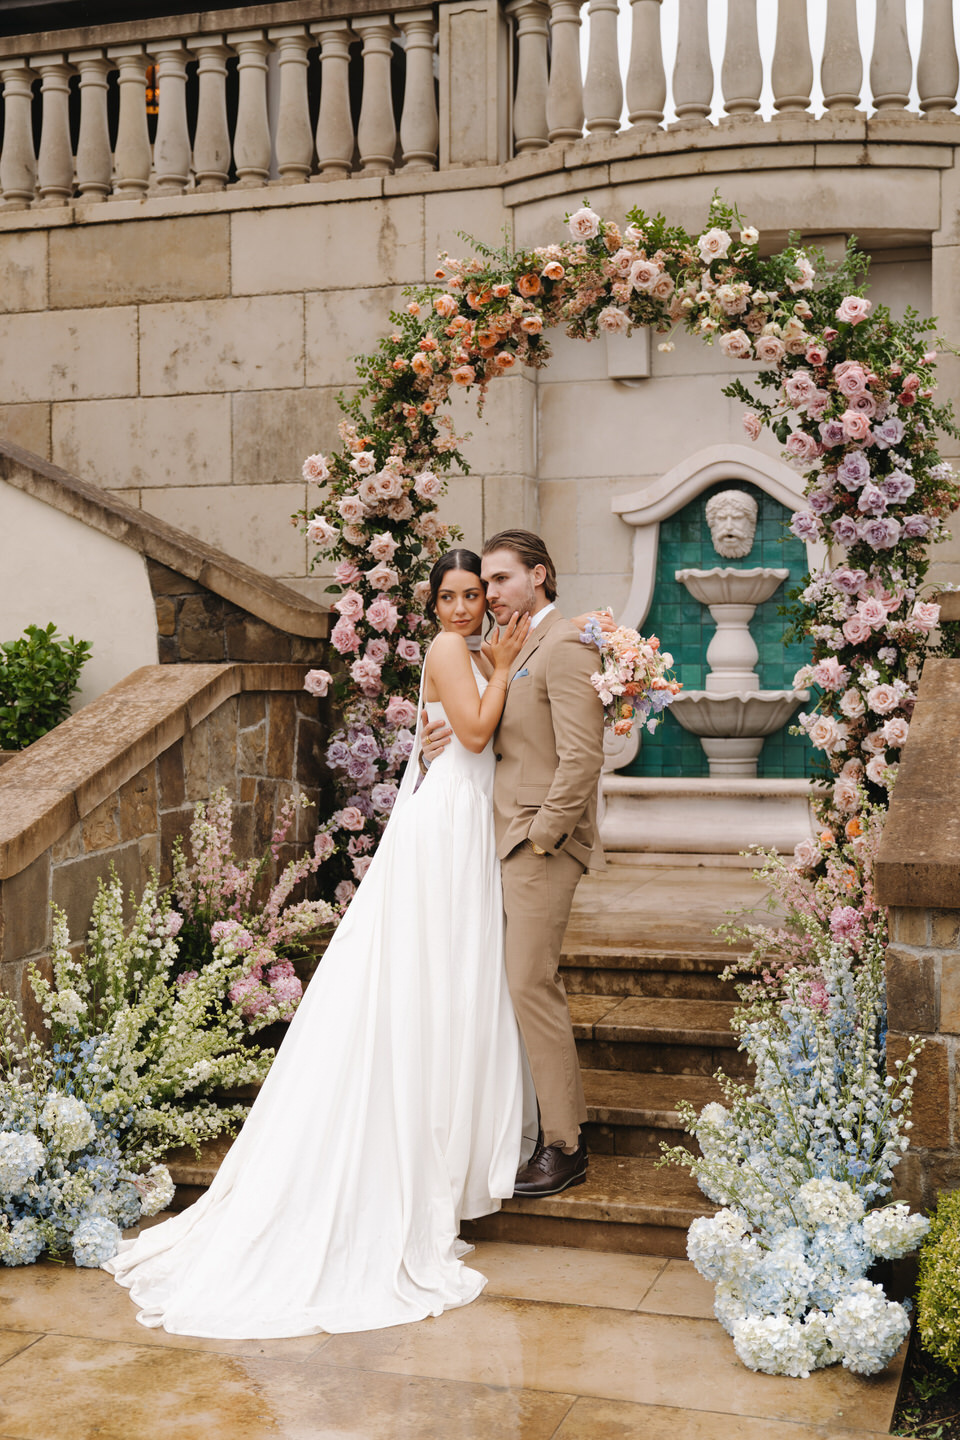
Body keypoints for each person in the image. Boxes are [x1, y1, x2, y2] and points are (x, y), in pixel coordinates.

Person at [103, 549, 537, 1338]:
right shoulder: (452, 650)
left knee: (454, 984)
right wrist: (502, 669)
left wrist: (492, 675)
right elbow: (474, 735)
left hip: (465, 819)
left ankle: (446, 1154)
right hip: (447, 828)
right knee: (433, 980)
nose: (463, 608)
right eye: (449, 596)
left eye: (474, 594)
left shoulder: (469, 651)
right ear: (432, 603)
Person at [421, 530, 606, 1199]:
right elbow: (500, 729)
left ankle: (566, 1145)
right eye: (482, 585)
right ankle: (535, 1127)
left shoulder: (567, 642)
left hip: (538, 843)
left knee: (530, 983)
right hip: (502, 837)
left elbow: (583, 757)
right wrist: (444, 733)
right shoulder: (520, 644)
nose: (488, 594)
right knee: (513, 984)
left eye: (499, 581)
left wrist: (543, 838)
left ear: (539, 576)